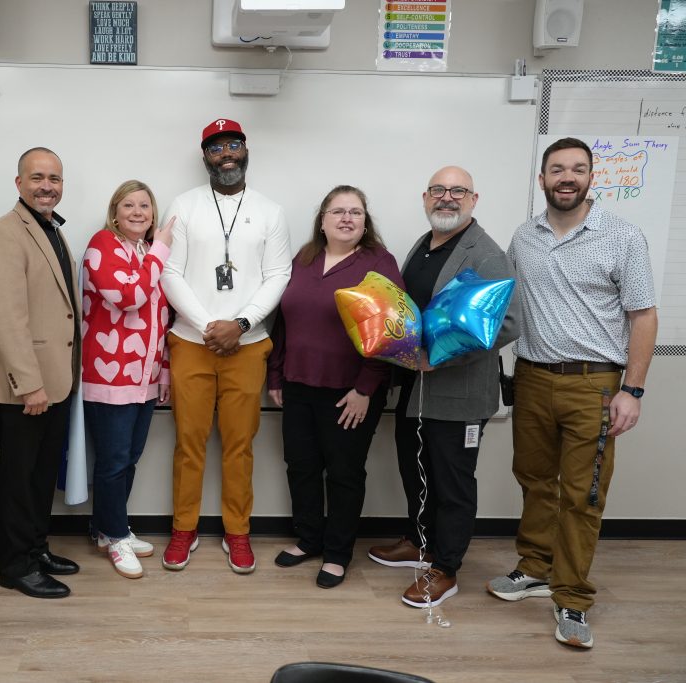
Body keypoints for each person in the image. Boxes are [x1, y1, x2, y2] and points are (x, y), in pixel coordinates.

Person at [488, 137, 657, 649]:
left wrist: (632, 389)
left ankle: (573, 599)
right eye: (558, 169)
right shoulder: (524, 237)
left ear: (590, 178)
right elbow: (507, 304)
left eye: (578, 169)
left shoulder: (622, 236)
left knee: (583, 494)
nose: (567, 177)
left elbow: (643, 315)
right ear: (542, 179)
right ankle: (535, 568)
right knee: (535, 480)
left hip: (595, 386)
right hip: (532, 378)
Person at [368, 166, 518, 608]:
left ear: (473, 199)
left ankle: (446, 568)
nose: (446, 197)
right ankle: (420, 542)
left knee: (452, 484)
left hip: (458, 395)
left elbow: (509, 323)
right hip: (416, 389)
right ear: (425, 197)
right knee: (416, 472)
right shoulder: (425, 244)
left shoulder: (486, 254)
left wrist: (440, 357)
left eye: (457, 191)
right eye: (438, 190)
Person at [159, 118, 292, 574]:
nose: (227, 154)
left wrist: (241, 323)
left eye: (234, 145)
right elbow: (169, 272)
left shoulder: (270, 211)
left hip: (249, 345)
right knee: (189, 442)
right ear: (205, 157)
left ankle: (238, 532)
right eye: (217, 148)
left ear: (246, 150)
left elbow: (279, 274)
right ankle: (184, 528)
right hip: (190, 343)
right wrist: (208, 326)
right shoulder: (184, 205)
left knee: (239, 444)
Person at [267, 186, 402, 588]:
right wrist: (276, 374)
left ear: (365, 222)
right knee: (301, 466)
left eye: (355, 212)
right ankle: (309, 539)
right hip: (298, 385)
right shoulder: (303, 259)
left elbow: (390, 330)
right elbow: (283, 321)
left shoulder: (379, 263)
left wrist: (365, 389)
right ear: (322, 220)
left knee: (343, 473)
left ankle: (337, 553)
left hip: (350, 392)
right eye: (338, 211)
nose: (347, 218)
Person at [0, 147, 81, 599]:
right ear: (19, 183)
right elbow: (4, 317)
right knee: (19, 481)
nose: (47, 186)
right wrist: (30, 384)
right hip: (24, 387)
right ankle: (16, 566)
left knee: (40, 477)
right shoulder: (5, 234)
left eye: (54, 178)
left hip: (55, 382)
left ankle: (36, 549)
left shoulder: (51, 229)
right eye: (37, 177)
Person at [81, 180, 174, 579]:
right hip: (109, 378)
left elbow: (161, 318)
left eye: (145, 206)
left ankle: (108, 529)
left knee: (129, 458)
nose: (138, 212)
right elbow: (129, 297)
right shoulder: (103, 244)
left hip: (144, 379)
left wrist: (163, 371)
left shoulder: (144, 252)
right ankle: (116, 535)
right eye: (129, 205)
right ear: (115, 213)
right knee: (114, 461)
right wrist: (161, 250)